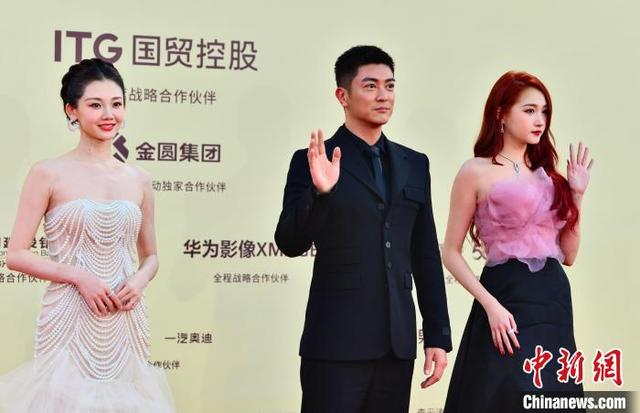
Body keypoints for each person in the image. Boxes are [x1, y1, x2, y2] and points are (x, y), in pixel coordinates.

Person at [275, 45, 452, 413]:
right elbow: (290, 242)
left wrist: (437, 334)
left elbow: (424, 254)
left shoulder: (415, 164)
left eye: (390, 86)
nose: (383, 95)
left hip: (397, 345)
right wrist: (320, 193)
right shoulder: (315, 160)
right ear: (343, 96)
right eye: (370, 86)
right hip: (335, 343)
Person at [0, 58, 175, 412]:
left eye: (117, 103)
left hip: (125, 317)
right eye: (95, 105)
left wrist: (139, 281)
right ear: (72, 110)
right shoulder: (48, 173)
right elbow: (16, 254)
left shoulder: (139, 179)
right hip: (68, 319)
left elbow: (151, 256)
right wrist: (80, 277)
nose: (109, 114)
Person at [442, 71, 593, 412]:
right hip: (504, 294)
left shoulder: (550, 177)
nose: (540, 120)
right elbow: (450, 252)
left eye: (544, 112)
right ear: (501, 113)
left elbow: (569, 255)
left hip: (552, 298)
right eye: (529, 110)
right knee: (500, 393)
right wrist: (490, 305)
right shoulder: (475, 171)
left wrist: (577, 195)